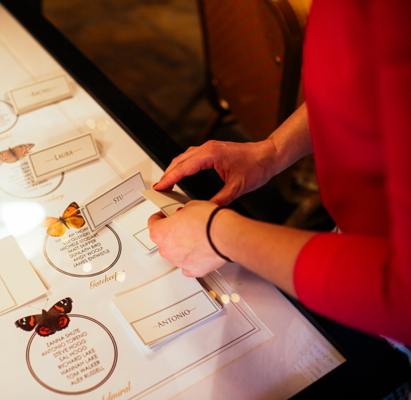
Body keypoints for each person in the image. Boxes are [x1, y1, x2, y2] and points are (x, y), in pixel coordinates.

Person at [147, 0, 411, 346]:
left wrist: (221, 236)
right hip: (353, 245)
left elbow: (402, 297)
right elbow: (361, 84)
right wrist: (270, 151)